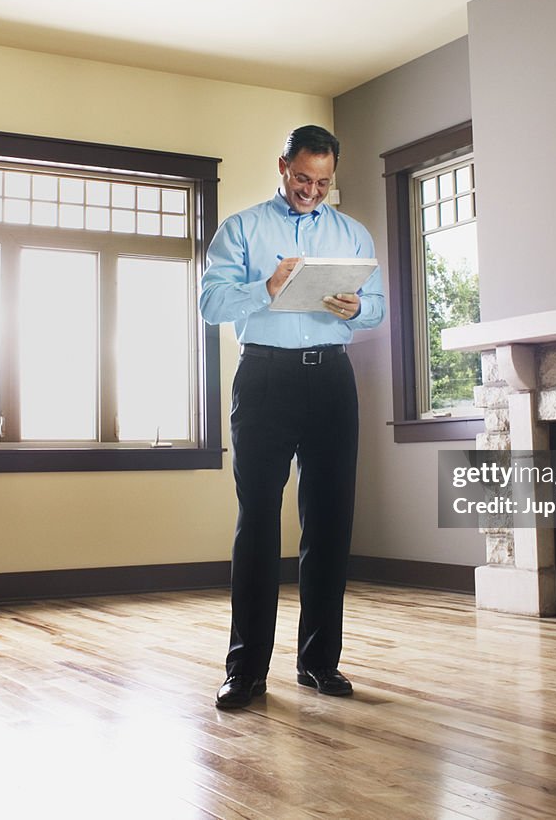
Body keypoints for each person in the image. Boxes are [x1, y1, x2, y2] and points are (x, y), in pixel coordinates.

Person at [199, 125, 385, 710]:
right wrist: (266, 285)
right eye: (303, 178)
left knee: (330, 523)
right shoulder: (244, 228)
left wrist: (358, 306)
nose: (312, 190)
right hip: (264, 378)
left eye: (323, 182)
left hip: (331, 378)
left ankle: (319, 664)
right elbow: (211, 304)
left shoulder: (352, 234)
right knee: (258, 521)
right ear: (283, 167)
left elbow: (376, 310)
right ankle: (246, 671)